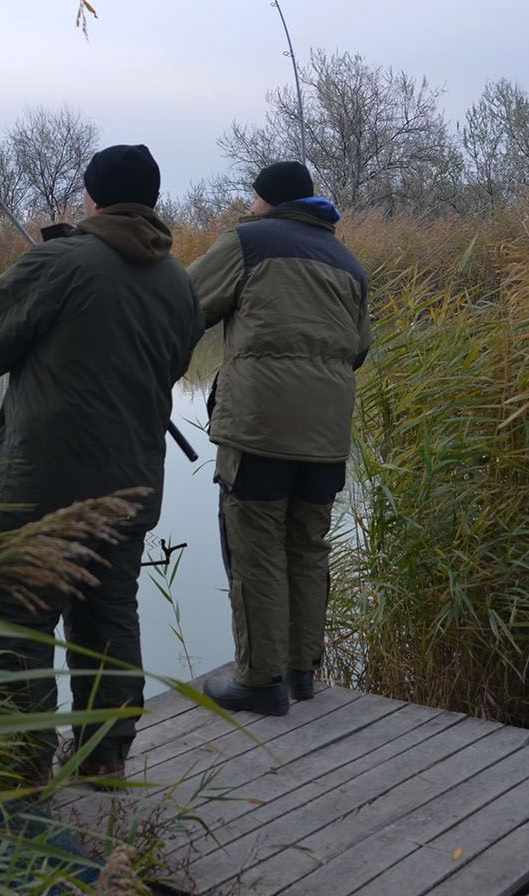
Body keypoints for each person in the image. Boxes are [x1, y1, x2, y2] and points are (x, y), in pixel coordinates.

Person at [0, 143, 202, 780]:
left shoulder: (60, 260)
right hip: (130, 483)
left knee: (15, 618)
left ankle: (20, 763)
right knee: (107, 617)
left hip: (42, 483)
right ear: (151, 200)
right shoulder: (180, 283)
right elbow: (170, 365)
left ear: (92, 198)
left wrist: (39, 262)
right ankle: (104, 761)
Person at [185, 160, 371, 716]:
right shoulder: (347, 261)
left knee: (256, 548)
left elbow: (184, 304)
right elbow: (358, 348)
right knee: (309, 548)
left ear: (262, 199)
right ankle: (300, 673)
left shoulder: (248, 241)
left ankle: (260, 680)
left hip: (261, 426)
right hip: (327, 433)